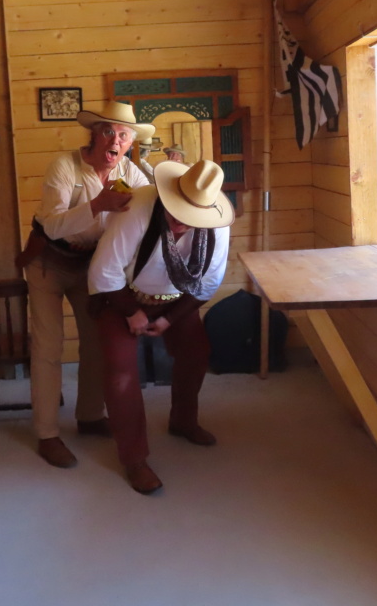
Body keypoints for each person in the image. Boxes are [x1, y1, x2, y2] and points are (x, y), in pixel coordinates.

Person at [19, 101, 155, 469]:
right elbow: (51, 226)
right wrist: (97, 205)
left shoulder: (131, 172)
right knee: (48, 348)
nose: (116, 139)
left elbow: (150, 211)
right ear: (94, 135)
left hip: (92, 267)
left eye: (123, 134)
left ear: (130, 143)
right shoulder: (65, 166)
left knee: (95, 343)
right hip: (49, 261)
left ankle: (90, 416)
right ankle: (47, 434)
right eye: (108, 130)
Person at [87, 159, 233, 494]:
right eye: (177, 210)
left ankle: (183, 421)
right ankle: (134, 458)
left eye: (191, 216)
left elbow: (207, 285)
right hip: (120, 296)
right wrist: (131, 312)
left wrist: (169, 318)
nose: (181, 221)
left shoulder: (218, 226)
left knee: (197, 353)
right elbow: (103, 271)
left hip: (174, 301)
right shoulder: (139, 206)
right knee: (121, 371)